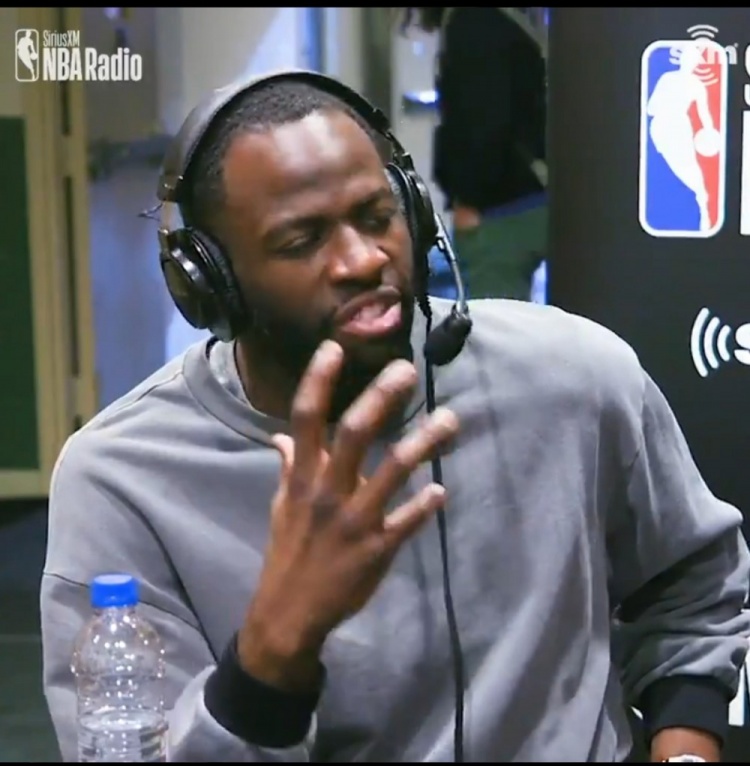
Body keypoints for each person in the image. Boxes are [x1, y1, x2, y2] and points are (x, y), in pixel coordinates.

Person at [40, 70, 750, 763]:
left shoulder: (573, 375)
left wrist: (685, 747)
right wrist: (274, 648)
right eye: (301, 241)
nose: (362, 259)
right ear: (209, 282)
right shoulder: (121, 479)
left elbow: (692, 589)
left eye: (377, 217)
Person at [403, 7, 547, 301]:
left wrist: (470, 199)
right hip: (530, 193)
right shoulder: (501, 20)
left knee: (496, 321)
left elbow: (484, 124)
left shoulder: (473, 23)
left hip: (500, 209)